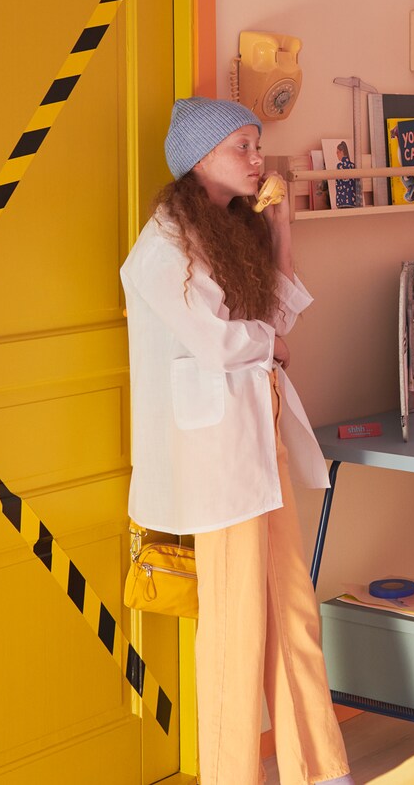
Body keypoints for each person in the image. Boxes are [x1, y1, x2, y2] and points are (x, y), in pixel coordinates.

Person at [120, 97, 353, 785]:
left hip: (260, 441)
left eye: (257, 146)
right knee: (236, 630)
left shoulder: (228, 231)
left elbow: (275, 319)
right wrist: (272, 346)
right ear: (199, 158)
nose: (259, 161)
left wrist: (281, 229)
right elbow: (225, 341)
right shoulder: (162, 248)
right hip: (217, 462)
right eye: (243, 148)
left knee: (293, 612)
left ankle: (321, 770)